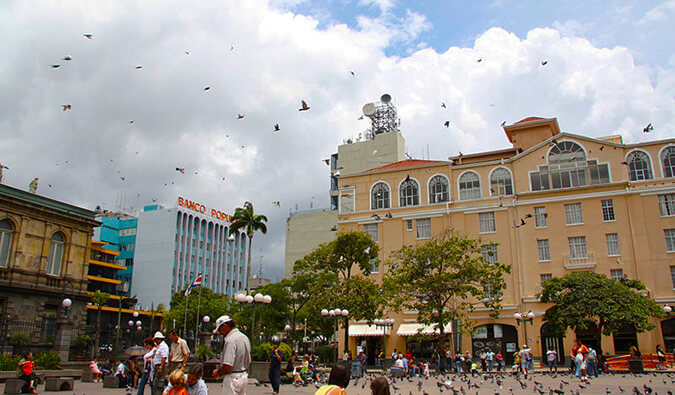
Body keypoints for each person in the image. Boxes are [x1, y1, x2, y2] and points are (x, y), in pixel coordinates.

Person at [212, 315, 251, 395]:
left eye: (220, 329)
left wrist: (218, 372)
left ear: (225, 326)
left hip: (232, 378)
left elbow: (228, 365)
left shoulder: (230, 340)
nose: (220, 333)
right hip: (243, 376)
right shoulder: (244, 337)